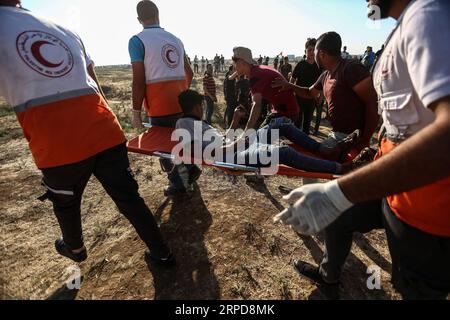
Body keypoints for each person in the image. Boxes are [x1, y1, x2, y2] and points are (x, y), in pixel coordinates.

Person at [274, 0, 450, 300]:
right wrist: (380, 146)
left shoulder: (428, 15)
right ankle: (330, 276)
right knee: (340, 218)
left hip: (425, 212)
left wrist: (340, 190)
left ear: (322, 52)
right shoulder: (408, 23)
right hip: (394, 186)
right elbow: (406, 118)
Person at [0, 0, 174, 266]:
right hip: (104, 129)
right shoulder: (64, 28)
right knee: (129, 198)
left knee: (65, 202)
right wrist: (112, 122)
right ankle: (162, 253)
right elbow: (94, 82)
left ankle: (76, 248)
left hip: (57, 142)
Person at [176, 90, 360, 175]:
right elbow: (200, 152)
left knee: (280, 123)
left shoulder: (197, 122)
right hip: (232, 157)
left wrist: (234, 120)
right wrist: (236, 144)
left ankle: (323, 150)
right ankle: (339, 168)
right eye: (201, 105)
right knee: (283, 152)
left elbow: (221, 139)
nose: (202, 108)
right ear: (196, 107)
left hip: (236, 146)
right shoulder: (183, 124)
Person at [128, 0, 200, 197]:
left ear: (138, 19)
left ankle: (178, 184)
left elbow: (139, 80)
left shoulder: (137, 40)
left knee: (165, 150)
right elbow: (189, 72)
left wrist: (136, 112)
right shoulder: (176, 39)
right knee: (183, 142)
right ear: (158, 14)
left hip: (159, 107)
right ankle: (191, 172)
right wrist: (181, 92)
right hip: (181, 104)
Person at [273, 32, 379, 152]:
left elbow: (373, 102)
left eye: (315, 51)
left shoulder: (350, 69)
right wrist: (289, 86)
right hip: (336, 136)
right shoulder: (325, 75)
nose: (313, 54)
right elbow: (309, 93)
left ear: (322, 54)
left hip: (352, 139)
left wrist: (365, 140)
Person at [230, 47, 300, 132]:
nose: (234, 66)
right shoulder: (258, 69)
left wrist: (246, 133)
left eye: (235, 63)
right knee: (263, 137)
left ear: (242, 62)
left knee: (259, 139)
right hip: (283, 112)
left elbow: (257, 105)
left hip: (286, 115)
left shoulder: (255, 75)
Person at [291, 38, 323, 134]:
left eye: (314, 50)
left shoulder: (319, 66)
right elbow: (292, 81)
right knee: (297, 121)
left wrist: (321, 96)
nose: (312, 52)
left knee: (307, 122)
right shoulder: (300, 64)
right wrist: (291, 94)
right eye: (309, 50)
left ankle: (305, 143)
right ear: (305, 51)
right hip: (299, 97)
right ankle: (295, 142)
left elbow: (321, 83)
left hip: (312, 97)